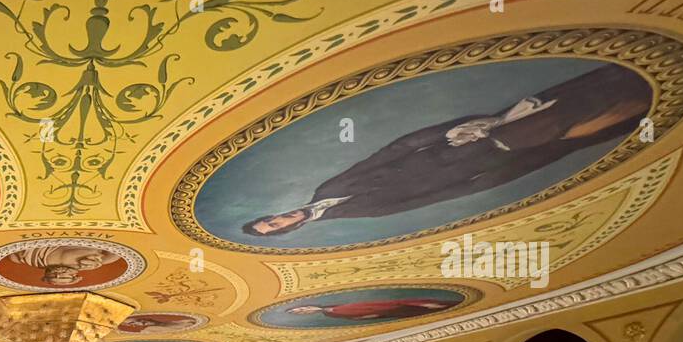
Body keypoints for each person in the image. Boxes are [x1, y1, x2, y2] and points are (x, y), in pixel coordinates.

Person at [242, 64, 651, 237]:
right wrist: (493, 177)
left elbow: (392, 150)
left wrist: (448, 132)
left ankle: (628, 78)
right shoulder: (353, 212)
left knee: (552, 105)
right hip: (483, 160)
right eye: (278, 226)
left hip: (460, 141)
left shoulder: (326, 187)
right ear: (292, 229)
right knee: (565, 131)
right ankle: (641, 105)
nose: (281, 218)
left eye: (272, 218)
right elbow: (440, 196)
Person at [4, 243, 120, 286]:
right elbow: (115, 252)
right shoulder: (83, 263)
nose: (58, 275)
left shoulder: (76, 261)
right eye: (63, 277)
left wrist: (99, 261)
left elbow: (114, 252)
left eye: (56, 276)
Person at [285, 296, 454, 322]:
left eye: (302, 308)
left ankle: (449, 305)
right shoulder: (332, 316)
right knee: (420, 309)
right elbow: (359, 318)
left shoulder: (334, 302)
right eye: (302, 312)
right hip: (383, 310)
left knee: (426, 303)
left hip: (385, 304)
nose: (305, 310)